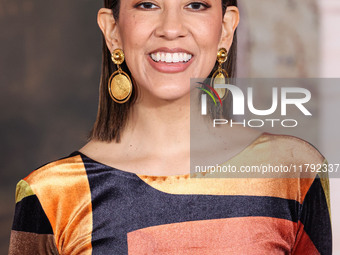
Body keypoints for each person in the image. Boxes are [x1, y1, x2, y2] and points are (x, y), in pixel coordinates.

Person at [9, 0, 331, 254]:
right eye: (147, 5)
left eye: (196, 5)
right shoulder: (53, 194)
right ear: (112, 30)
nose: (171, 29)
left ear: (226, 28)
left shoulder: (291, 171)